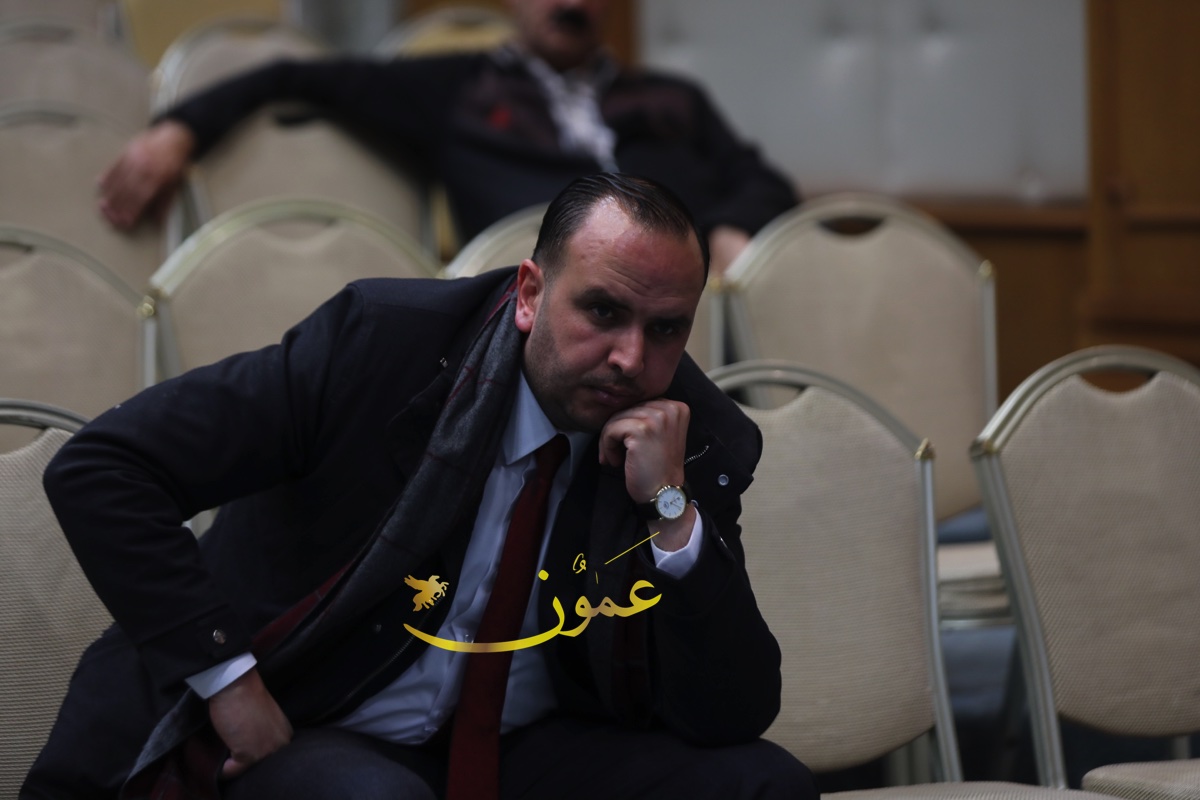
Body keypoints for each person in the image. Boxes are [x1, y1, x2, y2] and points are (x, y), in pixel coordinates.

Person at [25, 174, 815, 799]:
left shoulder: (694, 439)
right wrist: (229, 684)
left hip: (521, 746)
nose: (631, 358)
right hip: (316, 713)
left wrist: (671, 512)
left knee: (764, 782)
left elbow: (732, 711)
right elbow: (104, 467)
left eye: (666, 328)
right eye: (602, 311)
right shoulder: (382, 348)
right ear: (531, 293)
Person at [98, 0, 798, 274]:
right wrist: (178, 131)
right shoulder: (458, 89)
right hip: (550, 312)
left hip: (692, 301)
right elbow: (295, 75)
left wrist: (731, 229)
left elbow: (763, 180)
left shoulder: (669, 96)